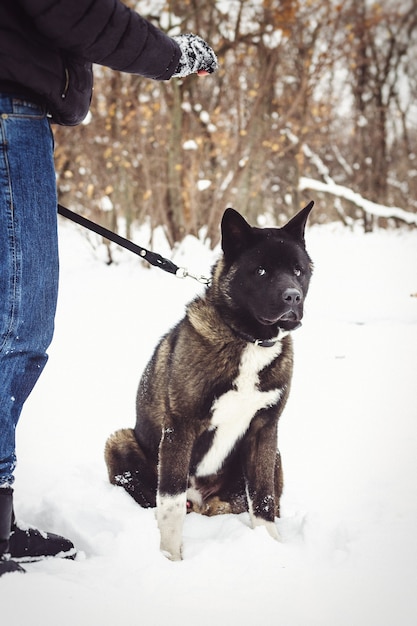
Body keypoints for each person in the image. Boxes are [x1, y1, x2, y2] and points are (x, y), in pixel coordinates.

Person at [0, 0, 217, 576]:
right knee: (14, 330)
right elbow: (74, 10)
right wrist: (171, 56)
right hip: (6, 116)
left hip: (12, 113)